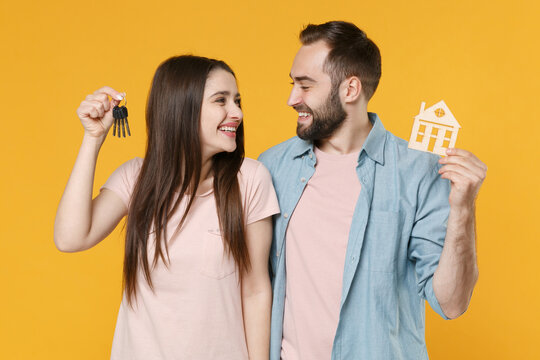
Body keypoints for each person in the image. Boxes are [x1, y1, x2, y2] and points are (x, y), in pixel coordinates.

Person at [258, 21, 487, 360]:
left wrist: (463, 208)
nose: (292, 98)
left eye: (305, 86)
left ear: (350, 89)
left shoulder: (417, 171)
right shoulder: (273, 166)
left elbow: (451, 303)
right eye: (293, 84)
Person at [54, 55, 279, 360]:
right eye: (221, 101)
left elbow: (256, 291)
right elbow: (70, 238)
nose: (236, 112)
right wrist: (93, 139)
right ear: (181, 108)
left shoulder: (250, 179)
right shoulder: (136, 178)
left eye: (237, 100)